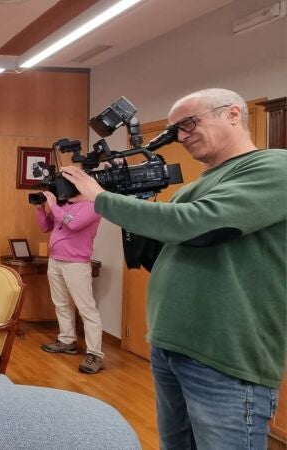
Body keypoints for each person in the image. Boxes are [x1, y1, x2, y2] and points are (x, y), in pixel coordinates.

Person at [60, 88, 286, 449]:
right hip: (171, 346)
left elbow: (197, 226)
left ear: (232, 114)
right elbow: (158, 253)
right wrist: (123, 192)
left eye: (189, 123)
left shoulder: (274, 167)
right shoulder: (202, 183)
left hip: (224, 356)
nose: (181, 136)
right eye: (175, 130)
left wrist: (100, 198)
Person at [35, 189, 104, 374]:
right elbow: (45, 227)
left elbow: (73, 223)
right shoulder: (63, 204)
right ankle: (67, 340)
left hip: (76, 264)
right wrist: (40, 208)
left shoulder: (93, 204)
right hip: (55, 260)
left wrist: (53, 205)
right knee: (61, 304)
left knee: (86, 309)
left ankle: (95, 354)